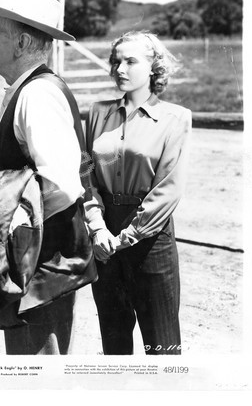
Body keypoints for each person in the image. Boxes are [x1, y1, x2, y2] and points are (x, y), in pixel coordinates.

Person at [0, 0, 97, 355]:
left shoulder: (38, 95)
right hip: (34, 267)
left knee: (38, 371)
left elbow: (61, 185)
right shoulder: (27, 90)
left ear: (22, 42)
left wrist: (4, 226)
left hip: (41, 271)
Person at [84, 30, 191, 355]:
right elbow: (86, 176)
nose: (120, 69)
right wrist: (97, 228)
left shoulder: (175, 118)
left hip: (151, 239)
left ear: (154, 67)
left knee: (162, 347)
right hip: (104, 238)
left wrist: (128, 236)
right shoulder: (97, 113)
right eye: (116, 61)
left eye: (130, 61)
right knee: (114, 343)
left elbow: (168, 189)